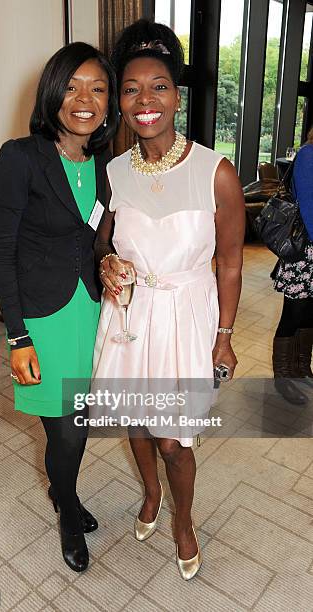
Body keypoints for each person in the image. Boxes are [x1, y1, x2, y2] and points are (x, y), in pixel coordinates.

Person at [93, 19, 245, 580]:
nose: (144, 100)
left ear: (176, 96)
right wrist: (107, 263)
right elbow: (103, 243)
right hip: (130, 317)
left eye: (157, 86)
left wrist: (224, 336)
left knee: (175, 440)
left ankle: (183, 519)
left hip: (185, 320)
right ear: (121, 101)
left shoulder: (216, 172)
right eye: (130, 89)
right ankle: (150, 494)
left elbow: (230, 263)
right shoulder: (111, 173)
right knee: (136, 422)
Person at [0, 42, 118, 573]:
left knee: (80, 420)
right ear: (52, 93)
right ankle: (67, 507)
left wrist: (111, 262)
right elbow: (1, 251)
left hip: (91, 310)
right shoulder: (19, 157)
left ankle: (65, 492)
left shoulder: (105, 164)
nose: (84, 99)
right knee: (67, 428)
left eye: (99, 88)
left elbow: (97, 237)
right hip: (43, 315)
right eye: (72, 85)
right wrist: (16, 338)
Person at [271, 128, 313, 404]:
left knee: (311, 313)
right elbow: (309, 208)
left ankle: (300, 368)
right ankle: (283, 377)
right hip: (304, 250)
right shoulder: (309, 155)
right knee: (293, 314)